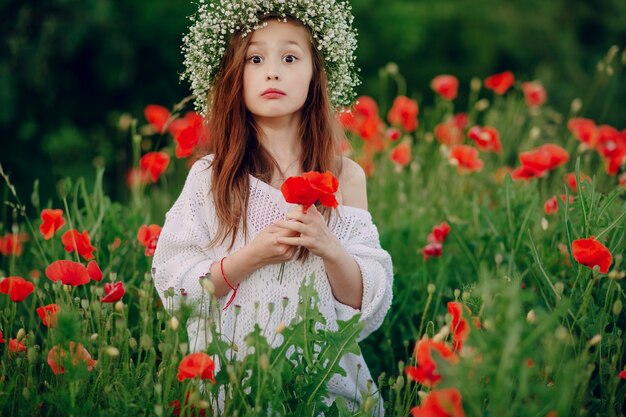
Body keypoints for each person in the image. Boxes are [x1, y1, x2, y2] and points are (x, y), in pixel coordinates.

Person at [152, 0, 393, 414]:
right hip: (232, 385)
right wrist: (249, 259)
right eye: (255, 58)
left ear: (317, 71)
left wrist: (328, 247)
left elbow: (366, 308)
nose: (273, 71)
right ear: (233, 75)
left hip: (323, 385)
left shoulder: (346, 176)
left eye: (290, 57)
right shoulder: (210, 178)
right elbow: (175, 289)